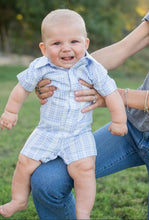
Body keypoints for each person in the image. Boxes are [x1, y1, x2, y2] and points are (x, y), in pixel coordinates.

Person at [0, 9, 127, 219]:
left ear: (85, 44)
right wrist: (11, 112)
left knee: (85, 169)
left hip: (79, 134)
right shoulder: (40, 67)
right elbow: (21, 88)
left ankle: (83, 213)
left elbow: (111, 93)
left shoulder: (92, 68)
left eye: (74, 42)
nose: (66, 48)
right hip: (47, 132)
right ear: (44, 48)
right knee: (24, 163)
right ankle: (19, 200)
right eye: (57, 43)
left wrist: (119, 120)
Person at [30, 11, 149, 219]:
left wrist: (114, 95)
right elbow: (124, 47)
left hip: (127, 116)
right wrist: (54, 71)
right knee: (47, 180)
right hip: (133, 128)